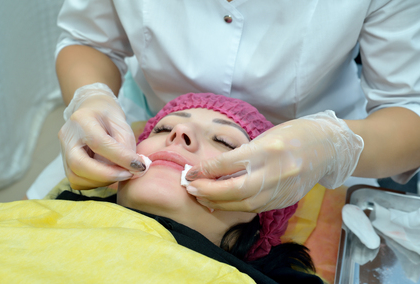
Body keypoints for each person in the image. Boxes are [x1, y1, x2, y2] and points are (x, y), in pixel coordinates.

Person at [55, 0, 420, 212]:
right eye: (164, 129)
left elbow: (408, 107)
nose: (179, 136)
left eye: (224, 141)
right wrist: (89, 98)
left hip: (323, 155)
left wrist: (331, 148)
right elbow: (87, 39)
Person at [55, 92, 323, 283]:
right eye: (162, 128)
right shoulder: (52, 217)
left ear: (261, 215)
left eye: (224, 142)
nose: (179, 130)